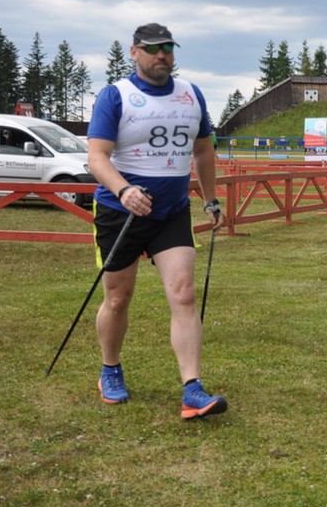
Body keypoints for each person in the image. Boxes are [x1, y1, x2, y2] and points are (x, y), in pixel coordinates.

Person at [86, 22, 227, 420]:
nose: (161, 55)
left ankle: (192, 389)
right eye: (152, 49)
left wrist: (211, 199)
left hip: (171, 211)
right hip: (120, 213)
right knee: (118, 298)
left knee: (183, 294)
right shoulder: (116, 95)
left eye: (167, 47)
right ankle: (110, 369)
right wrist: (123, 190)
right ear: (134, 52)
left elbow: (203, 151)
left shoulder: (191, 94)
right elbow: (96, 157)